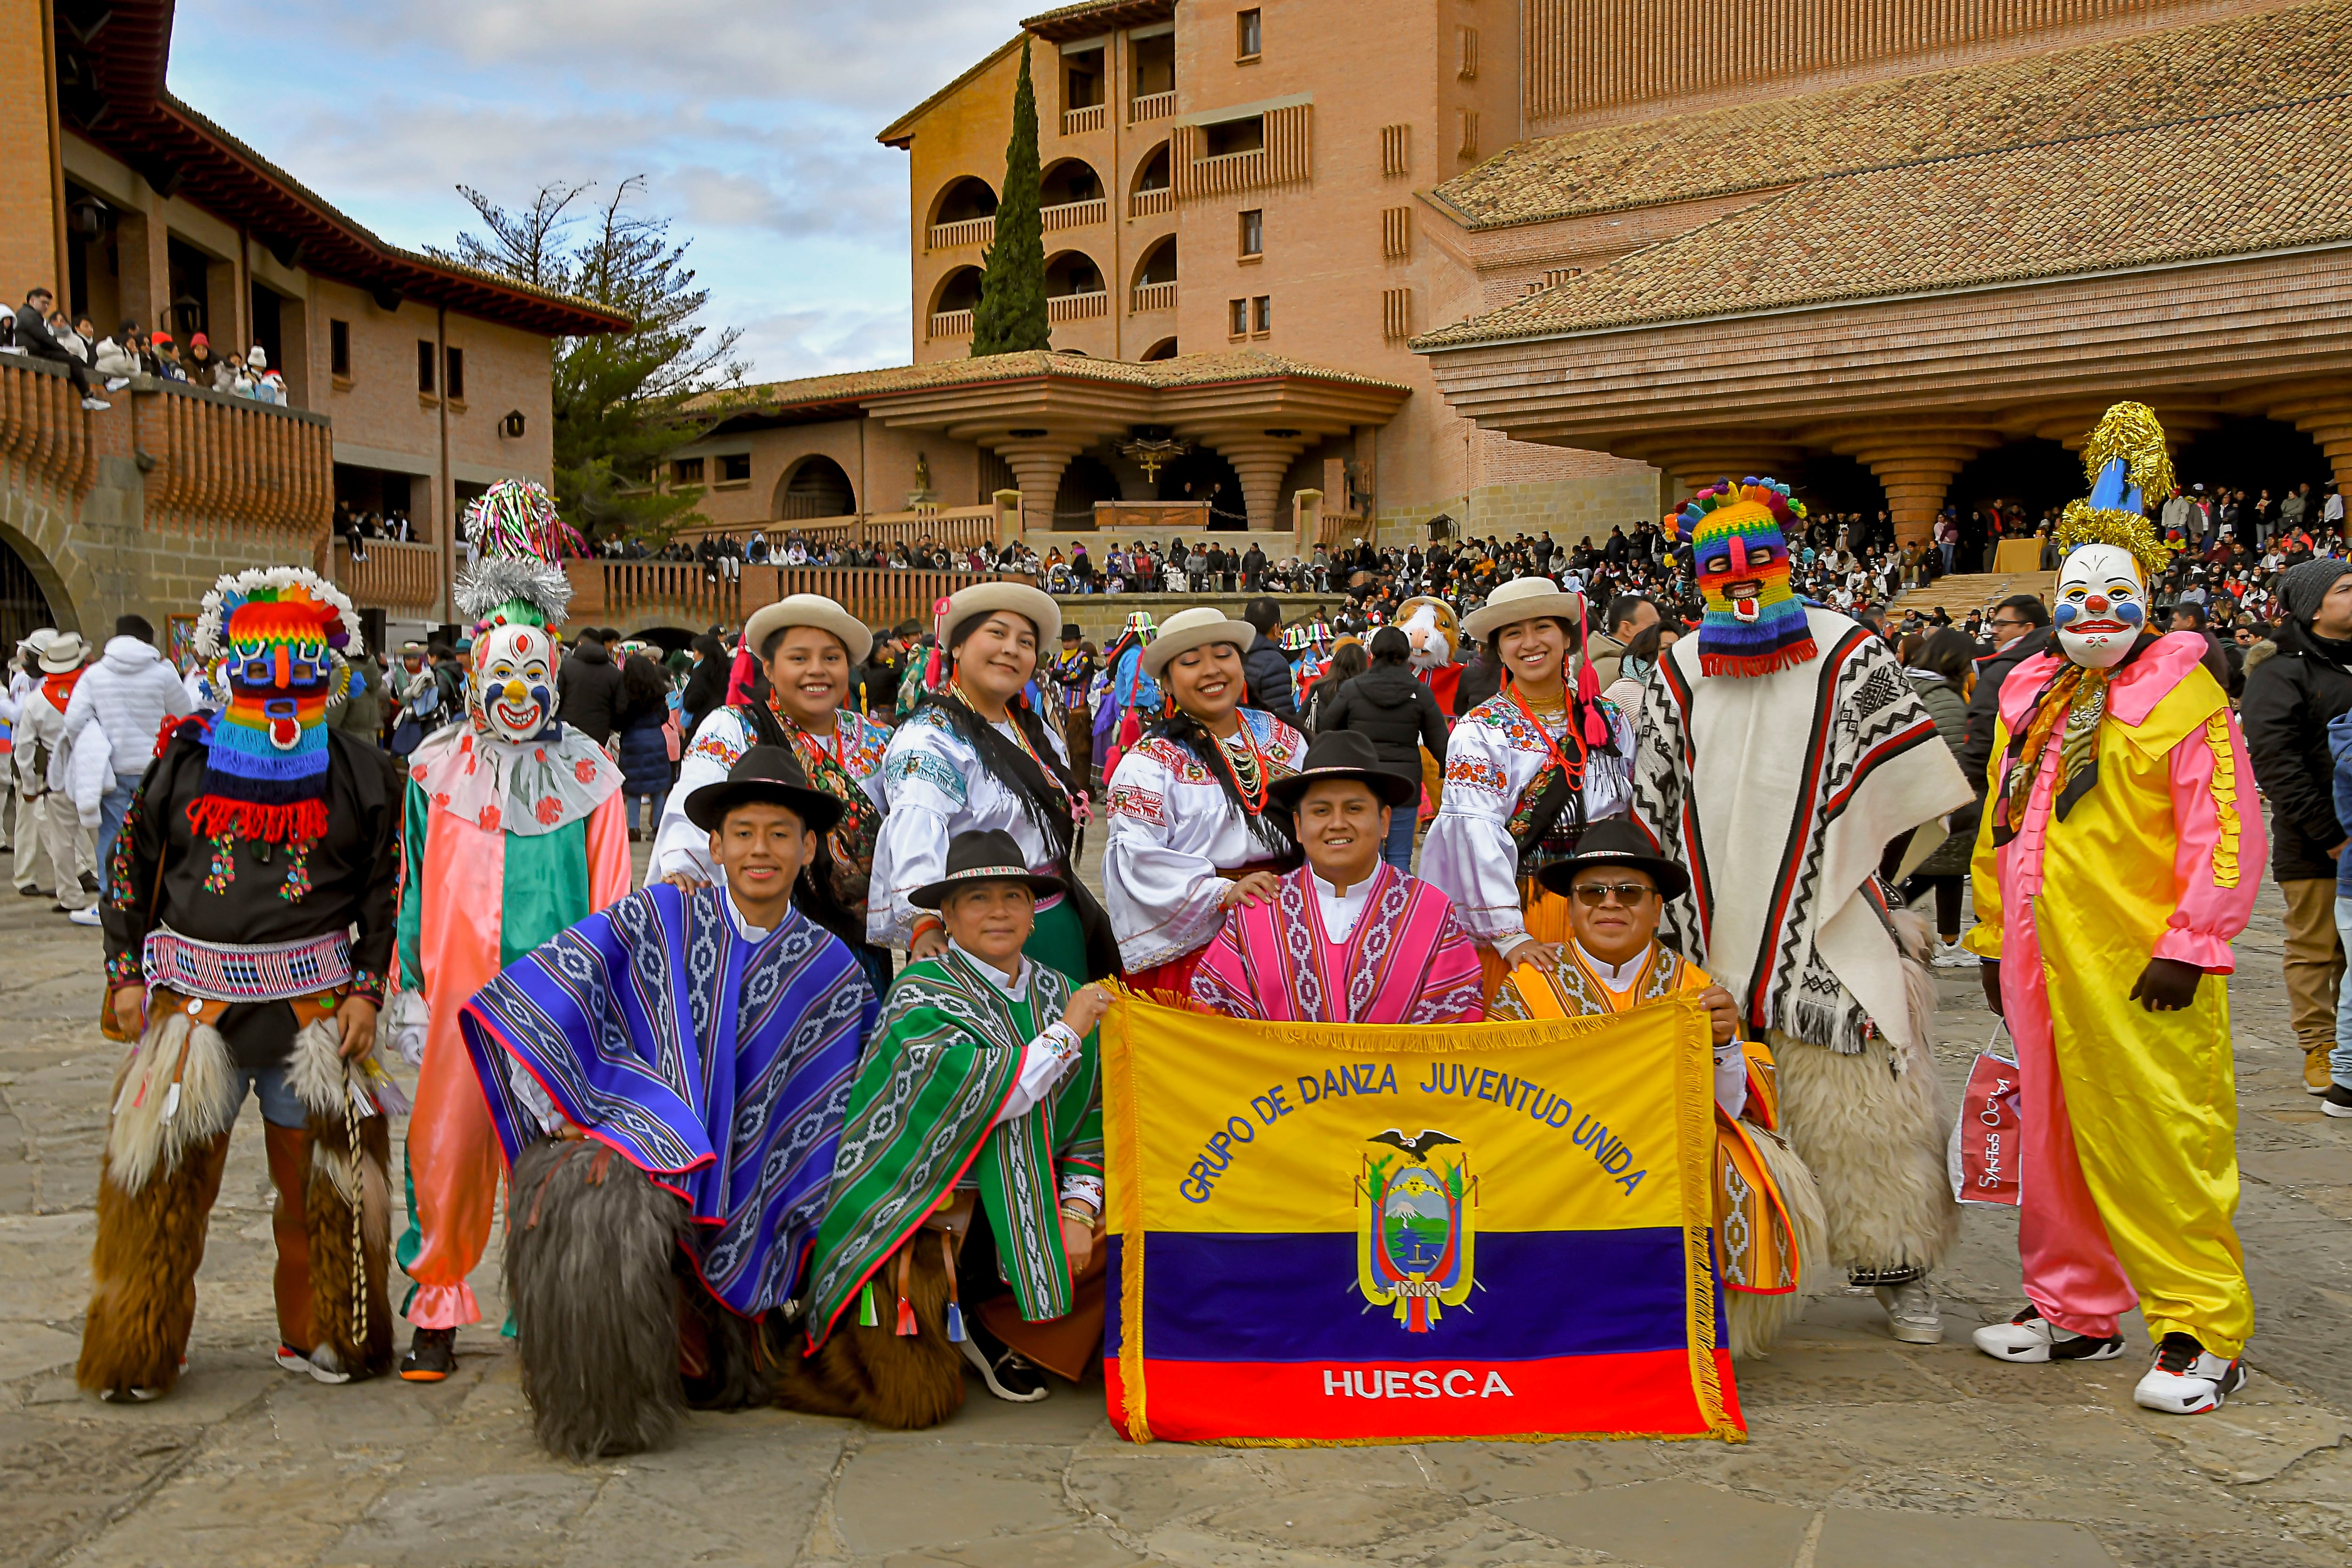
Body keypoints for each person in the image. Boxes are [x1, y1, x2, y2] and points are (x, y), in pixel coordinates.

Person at [1966, 405, 2264, 1416]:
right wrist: (1984, 933)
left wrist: (2193, 940)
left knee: (2159, 1133)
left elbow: (2222, 829)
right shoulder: (2030, 692)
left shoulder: (2186, 695)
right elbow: (2001, 822)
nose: (2094, 609)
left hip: (2142, 959)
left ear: (2147, 599)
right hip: (2038, 952)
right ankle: (2075, 1308)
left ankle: (2199, 1328)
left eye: (2115, 594)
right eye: (2078, 593)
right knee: (2052, 1132)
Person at [1631, 477, 1972, 1349]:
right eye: (1721, 568)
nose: (1743, 583)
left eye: (1760, 563)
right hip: (1706, 914)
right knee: (1716, 1105)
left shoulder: (1847, 651)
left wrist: (1866, 875)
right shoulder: (1680, 664)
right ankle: (1726, 1274)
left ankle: (1900, 1265)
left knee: (1864, 1096)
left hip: (1825, 911)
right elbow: (1655, 790)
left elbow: (1908, 776)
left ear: (1789, 560)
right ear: (1698, 574)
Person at [460, 747, 877, 1457]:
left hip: (763, 1178)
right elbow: (554, 988)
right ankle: (602, 1403)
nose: (760, 850)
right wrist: (577, 1105)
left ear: (809, 847)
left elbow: (841, 1097)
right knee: (589, 1200)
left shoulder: (831, 968)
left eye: (781, 834)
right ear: (715, 844)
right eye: (743, 832)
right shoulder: (662, 914)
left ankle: (726, 1333)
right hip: (645, 1137)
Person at [79, 570, 402, 1401]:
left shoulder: (364, 775)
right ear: (228, 671)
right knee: (159, 1187)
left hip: (316, 1018)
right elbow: (130, 871)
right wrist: (124, 971)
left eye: (303, 670)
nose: (283, 691)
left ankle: (329, 1329)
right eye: (261, 670)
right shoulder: (180, 766)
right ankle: (140, 1345)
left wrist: (367, 989)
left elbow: (380, 891)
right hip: (195, 1014)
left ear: (330, 676)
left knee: (327, 1192)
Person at [388, 481, 632, 1384]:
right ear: (476, 679)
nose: (519, 693)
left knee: (550, 1152)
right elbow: (412, 877)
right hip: (455, 995)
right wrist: (409, 983)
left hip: (556, 1003)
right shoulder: (434, 767)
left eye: (535, 676)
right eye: (502, 676)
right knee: (445, 1149)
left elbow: (613, 895)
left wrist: (609, 995)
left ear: (555, 676)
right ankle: (438, 1307)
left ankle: (544, 1308)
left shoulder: (593, 775)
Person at [1485, 820, 1824, 1356]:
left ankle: (1699, 1324)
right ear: (1571, 908)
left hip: (1666, 1149)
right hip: (1552, 1148)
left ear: (1656, 907)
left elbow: (1731, 1110)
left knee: (1733, 1158)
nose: (1609, 905)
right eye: (1592, 892)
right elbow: (1497, 1097)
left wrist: (1723, 1047)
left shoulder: (1694, 991)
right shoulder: (1527, 988)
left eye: (1628, 892)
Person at [802, 828, 1108, 1406]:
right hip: (934, 1202)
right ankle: (966, 1311)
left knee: (1135, 1223)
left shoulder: (1058, 991)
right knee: (912, 1401)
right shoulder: (920, 996)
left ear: (1033, 913)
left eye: (1012, 897)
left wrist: (1076, 1210)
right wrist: (1068, 1032)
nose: (998, 912)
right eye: (977, 899)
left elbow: (1089, 1121)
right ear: (947, 915)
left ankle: (1016, 1326)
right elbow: (995, 1095)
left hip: (1038, 1192)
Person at [871, 582, 1118, 984]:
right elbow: (915, 832)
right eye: (997, 634)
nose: (1012, 649)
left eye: (1025, 642)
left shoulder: (1033, 731)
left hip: (1057, 919)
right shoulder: (930, 736)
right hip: (986, 934)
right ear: (957, 647)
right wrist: (926, 924)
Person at [652, 595, 891, 990]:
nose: (817, 670)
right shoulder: (734, 728)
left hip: (857, 952)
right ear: (768, 666)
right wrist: (684, 869)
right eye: (799, 658)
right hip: (761, 944)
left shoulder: (881, 742)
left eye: (831, 658)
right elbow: (693, 803)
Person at [1191, 730, 1482, 1023]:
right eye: (1321, 811)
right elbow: (1215, 1023)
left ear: (1384, 821)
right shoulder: (1258, 909)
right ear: (1299, 827)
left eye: (1354, 809)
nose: (1338, 824)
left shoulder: (1431, 910)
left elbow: (1454, 1031)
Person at [1423, 575, 1636, 969]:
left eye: (1543, 627)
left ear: (1567, 638)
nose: (1531, 643)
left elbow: (1624, 815)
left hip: (1605, 905)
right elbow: (1476, 834)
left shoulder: (1609, 718)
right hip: (1527, 908)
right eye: (1514, 634)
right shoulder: (1481, 729)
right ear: (1499, 650)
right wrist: (1509, 933)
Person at [1101, 605, 1309, 995]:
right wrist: (1222, 893)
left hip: (1295, 928)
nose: (1212, 670)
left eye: (1223, 654)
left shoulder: (1286, 737)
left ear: (1242, 666)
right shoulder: (1150, 763)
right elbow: (1136, 859)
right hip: (1207, 948)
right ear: (1167, 683)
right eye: (1191, 661)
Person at [2241, 552, 2352, 1097]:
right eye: (2346, 590)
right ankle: (2320, 1046)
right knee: (2316, 946)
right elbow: (2276, 763)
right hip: (2318, 842)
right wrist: (2329, 836)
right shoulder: (2281, 670)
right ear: (2311, 606)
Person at [64, 614, 193, 916]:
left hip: (113, 768)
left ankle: (113, 903)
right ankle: (155, 900)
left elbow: (73, 720)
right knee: (156, 834)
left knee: (113, 836)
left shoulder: (95, 675)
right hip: (155, 769)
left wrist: (92, 738)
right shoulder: (164, 673)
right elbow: (185, 715)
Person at [1308, 626, 1448, 871]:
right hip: (1406, 784)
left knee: (1367, 857)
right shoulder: (1420, 692)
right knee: (1400, 858)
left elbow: (1328, 729)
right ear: (1407, 655)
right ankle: (1398, 907)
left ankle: (1368, 906)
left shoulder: (1352, 689)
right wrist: (1447, 773)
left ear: (1372, 653)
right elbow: (1439, 740)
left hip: (1364, 780)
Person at [1900, 628, 1977, 966]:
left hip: (1923, 801)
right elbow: (1955, 751)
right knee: (1930, 872)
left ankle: (1949, 940)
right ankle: (1882, 921)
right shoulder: (1944, 697)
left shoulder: (1918, 686)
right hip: (1939, 802)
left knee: (1944, 872)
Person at [19, 631, 93, 917]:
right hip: (92, 770)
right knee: (102, 835)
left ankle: (71, 897)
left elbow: (23, 749)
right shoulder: (91, 690)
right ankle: (114, 892)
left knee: (63, 840)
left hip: (58, 774)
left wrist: (28, 785)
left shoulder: (36, 701)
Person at [14, 288, 111, 408]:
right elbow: (44, 338)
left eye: (48, 304)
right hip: (35, 351)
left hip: (38, 349)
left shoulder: (29, 314)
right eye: (44, 302)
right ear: (33, 301)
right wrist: (63, 350)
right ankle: (87, 396)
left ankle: (104, 382)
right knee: (73, 360)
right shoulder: (28, 315)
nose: (46, 306)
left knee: (75, 359)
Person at [1090, 611, 1159, 781]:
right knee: (1137, 771)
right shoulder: (1135, 656)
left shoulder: (1131, 655)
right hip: (1136, 722)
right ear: (1144, 635)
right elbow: (1135, 693)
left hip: (1130, 718)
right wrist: (1158, 696)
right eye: (1151, 634)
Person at [613, 651, 674, 841]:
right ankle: (658, 828)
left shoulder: (626, 692)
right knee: (657, 788)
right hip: (656, 740)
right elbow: (665, 716)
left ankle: (633, 829)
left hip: (633, 742)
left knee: (633, 788)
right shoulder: (658, 690)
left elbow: (619, 719)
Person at [554, 629, 623, 744]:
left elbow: (558, 701)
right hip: (600, 734)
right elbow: (620, 708)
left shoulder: (567, 666)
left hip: (569, 731)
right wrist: (610, 726)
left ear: (580, 644)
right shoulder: (614, 672)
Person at [1238, 597, 1300, 726]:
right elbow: (1283, 716)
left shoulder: (1234, 655)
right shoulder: (1275, 662)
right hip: (1264, 736)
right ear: (1276, 628)